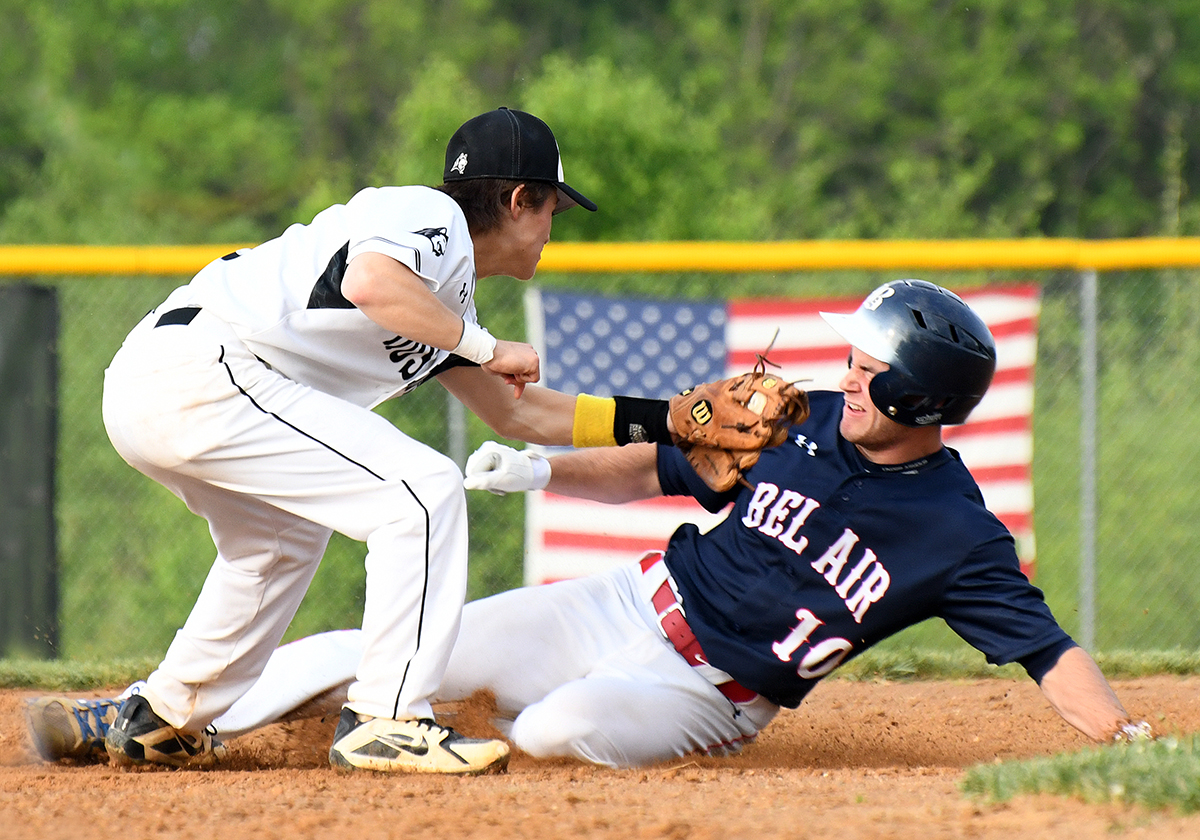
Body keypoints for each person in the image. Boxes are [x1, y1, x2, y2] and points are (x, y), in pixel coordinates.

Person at [28, 279, 1150, 769]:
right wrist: (541, 468)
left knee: (557, 733)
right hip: (616, 603)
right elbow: (653, 467)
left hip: (710, 692)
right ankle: (166, 723)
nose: (846, 374)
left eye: (870, 367)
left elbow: (1047, 651)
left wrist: (1123, 738)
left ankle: (461, 724)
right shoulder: (797, 418)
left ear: (918, 395)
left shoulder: (957, 534)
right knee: (386, 652)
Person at [79, 105, 710, 777]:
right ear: (519, 200)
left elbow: (521, 417)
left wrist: (666, 420)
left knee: (281, 543)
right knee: (421, 492)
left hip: (173, 389)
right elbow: (370, 282)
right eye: (553, 208)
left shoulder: (442, 299)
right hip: (203, 370)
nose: (553, 228)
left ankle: (163, 717)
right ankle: (387, 718)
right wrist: (485, 346)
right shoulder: (430, 215)